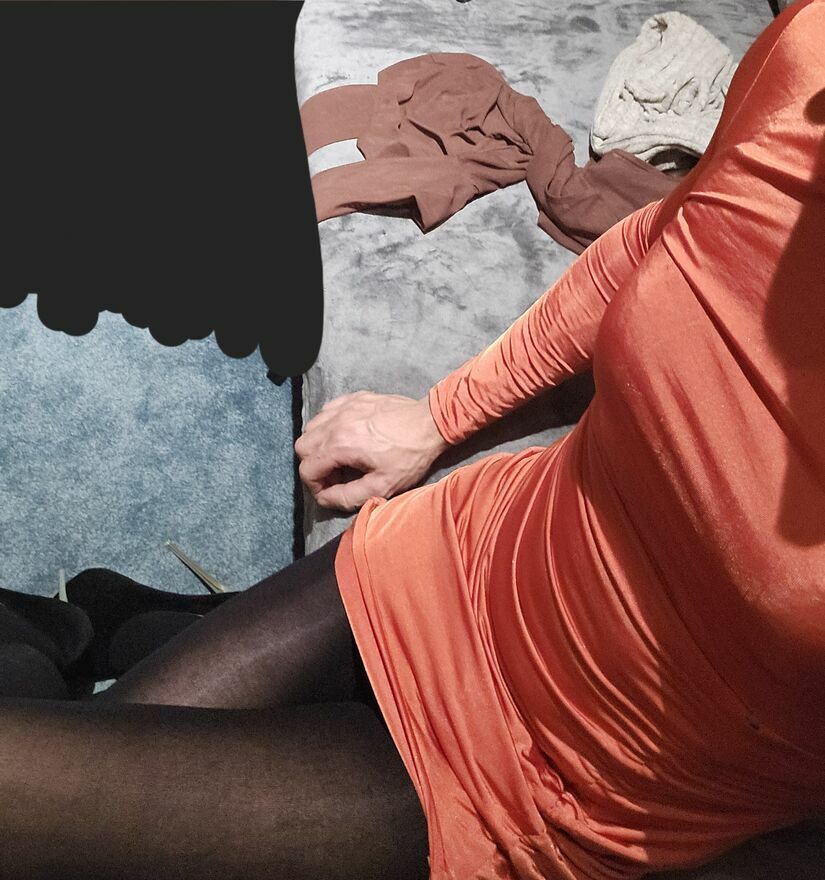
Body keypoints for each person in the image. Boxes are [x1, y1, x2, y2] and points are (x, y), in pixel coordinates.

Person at [0, 2, 822, 879]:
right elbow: (655, 247)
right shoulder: (807, 64)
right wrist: (437, 417)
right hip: (475, 553)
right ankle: (100, 624)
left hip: (563, 780)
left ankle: (87, 628)